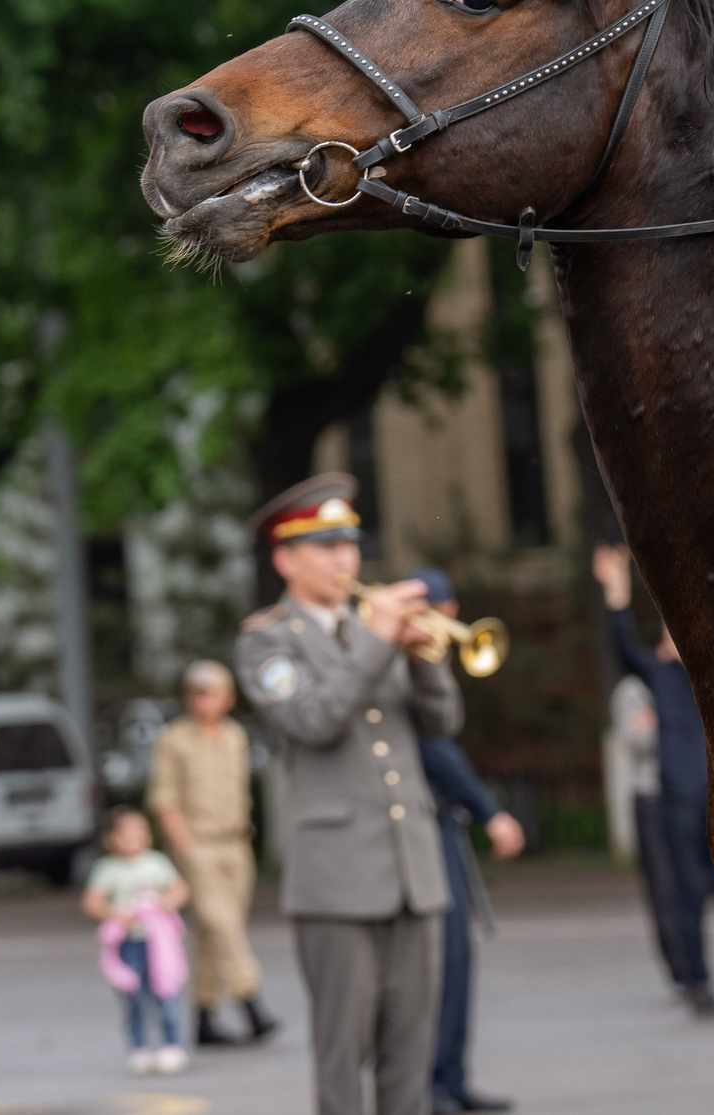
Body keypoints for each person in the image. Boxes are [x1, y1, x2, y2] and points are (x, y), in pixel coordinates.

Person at [235, 475, 459, 1115]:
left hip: (410, 869)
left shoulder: (375, 632)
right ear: (286, 559)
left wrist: (422, 659)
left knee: (408, 1063)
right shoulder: (266, 639)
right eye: (325, 547)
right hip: (336, 882)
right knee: (343, 1062)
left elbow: (443, 726)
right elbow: (314, 719)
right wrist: (378, 640)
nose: (344, 560)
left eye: (349, 545)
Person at [590, 545, 714, 1015]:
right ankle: (699, 984)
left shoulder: (707, 674)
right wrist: (616, 590)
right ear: (662, 639)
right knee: (688, 895)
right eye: (674, 627)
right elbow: (620, 642)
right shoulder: (656, 671)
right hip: (677, 801)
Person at [405, 569, 522, 1115]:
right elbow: (434, 748)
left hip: (440, 822)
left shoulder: (431, 660)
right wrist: (490, 810)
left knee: (457, 959)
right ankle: (430, 1084)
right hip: (416, 824)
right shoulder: (406, 661)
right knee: (438, 960)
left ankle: (451, 1079)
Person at [147, 658, 278, 1047]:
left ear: (228, 697)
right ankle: (251, 1002)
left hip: (235, 843)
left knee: (213, 933)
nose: (202, 702)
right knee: (223, 925)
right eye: (196, 694)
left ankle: (203, 1014)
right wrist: (183, 847)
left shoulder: (236, 735)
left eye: (211, 693)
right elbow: (164, 798)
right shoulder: (174, 739)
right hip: (198, 844)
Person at [82, 805, 190, 1076]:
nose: (132, 838)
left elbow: (180, 889)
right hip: (129, 943)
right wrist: (117, 914)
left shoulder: (156, 862)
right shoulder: (107, 869)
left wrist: (164, 903)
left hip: (159, 944)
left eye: (138, 831)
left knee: (166, 993)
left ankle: (171, 1044)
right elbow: (92, 902)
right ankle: (140, 1047)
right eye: (124, 833)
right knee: (133, 997)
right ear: (110, 839)